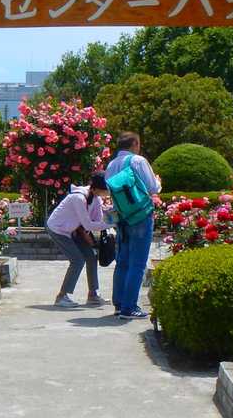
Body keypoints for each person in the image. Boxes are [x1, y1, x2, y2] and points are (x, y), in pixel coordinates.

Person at [104, 132, 161, 319]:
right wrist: (158, 182)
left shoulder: (111, 164)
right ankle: (129, 308)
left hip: (122, 217)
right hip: (141, 216)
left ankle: (119, 305)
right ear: (134, 143)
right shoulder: (138, 161)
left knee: (123, 262)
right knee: (137, 264)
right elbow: (152, 187)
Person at [44, 172, 112, 308]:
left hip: (74, 230)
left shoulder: (96, 198)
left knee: (91, 256)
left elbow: (98, 221)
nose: (108, 192)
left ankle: (93, 295)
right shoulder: (78, 198)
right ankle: (61, 296)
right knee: (77, 260)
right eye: (106, 190)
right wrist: (113, 223)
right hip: (58, 229)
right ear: (97, 188)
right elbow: (88, 225)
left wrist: (110, 217)